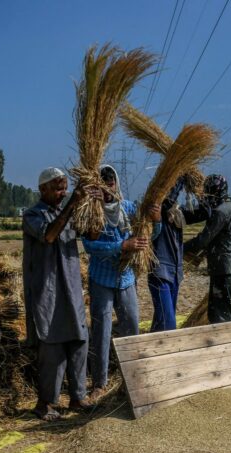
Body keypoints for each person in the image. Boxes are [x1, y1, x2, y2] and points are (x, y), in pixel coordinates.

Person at [22, 167, 99, 421]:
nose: (62, 193)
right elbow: (50, 234)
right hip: (48, 291)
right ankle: (46, 402)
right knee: (52, 345)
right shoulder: (33, 215)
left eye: (64, 188)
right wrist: (72, 203)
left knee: (79, 339)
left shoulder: (68, 212)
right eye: (57, 188)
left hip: (72, 288)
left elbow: (92, 233)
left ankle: (78, 397)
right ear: (42, 189)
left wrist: (94, 205)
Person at [82, 165, 147, 401]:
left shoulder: (129, 208)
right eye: (103, 183)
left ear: (116, 183)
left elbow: (149, 233)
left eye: (111, 183)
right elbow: (90, 246)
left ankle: (132, 375)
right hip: (101, 278)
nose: (108, 187)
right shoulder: (91, 211)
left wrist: (156, 221)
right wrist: (121, 246)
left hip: (126, 278)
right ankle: (99, 382)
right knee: (101, 329)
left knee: (131, 324)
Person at [183, 174, 231, 324]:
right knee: (222, 308)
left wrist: (181, 248)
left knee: (221, 312)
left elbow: (203, 239)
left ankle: (228, 343)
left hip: (223, 267)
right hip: (230, 266)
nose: (206, 196)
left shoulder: (220, 212)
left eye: (209, 192)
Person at [148, 179, 187, 331]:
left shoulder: (177, 213)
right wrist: (180, 175)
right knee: (168, 323)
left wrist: (194, 188)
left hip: (175, 274)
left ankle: (149, 351)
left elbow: (205, 212)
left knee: (160, 320)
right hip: (160, 274)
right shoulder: (158, 210)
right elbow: (170, 196)